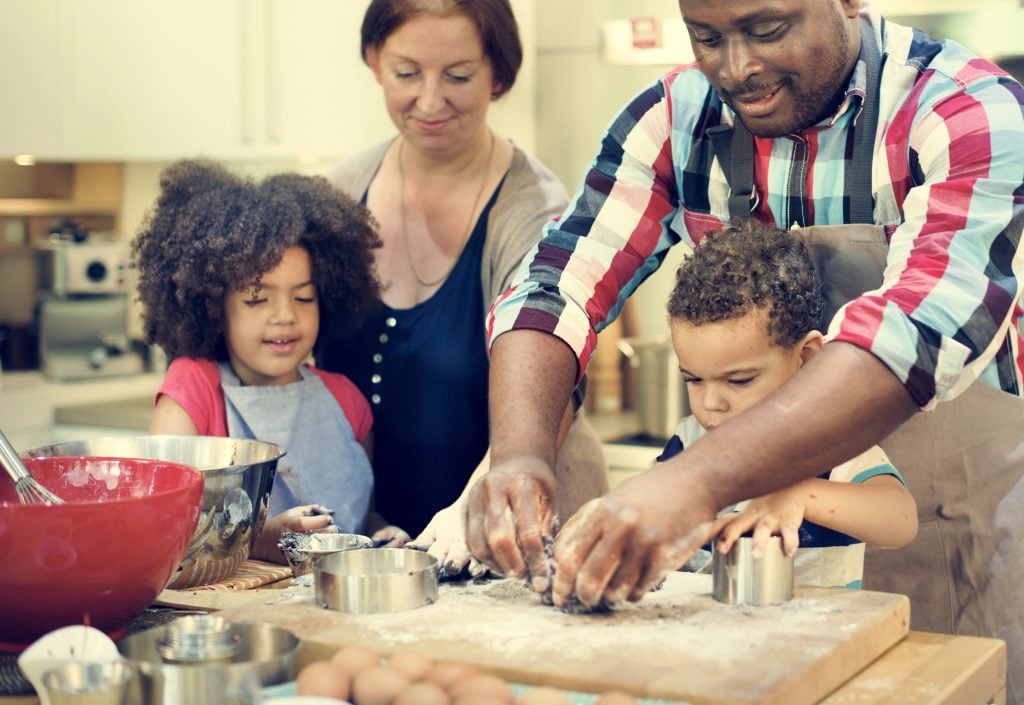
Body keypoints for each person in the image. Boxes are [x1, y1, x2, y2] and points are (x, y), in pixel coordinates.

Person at [467, 0, 1024, 696]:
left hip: (952, 537)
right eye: (707, 37)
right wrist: (519, 454)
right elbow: (558, 282)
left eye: (768, 29)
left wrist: (696, 481)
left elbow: (916, 333)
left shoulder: (965, 108)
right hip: (770, 607)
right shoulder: (674, 119)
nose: (737, 68)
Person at [316, 0, 607, 575]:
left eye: (458, 76)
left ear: (497, 74)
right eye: (406, 73)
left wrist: (472, 510)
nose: (429, 100)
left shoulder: (536, 211)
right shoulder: (339, 194)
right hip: (377, 543)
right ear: (374, 62)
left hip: (516, 536)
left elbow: (554, 385)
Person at [134, 159, 402, 564]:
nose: (285, 316)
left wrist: (380, 532)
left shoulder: (346, 400)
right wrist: (257, 540)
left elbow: (359, 514)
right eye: (257, 299)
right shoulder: (193, 390)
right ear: (212, 306)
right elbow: (160, 529)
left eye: (304, 297)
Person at [660, 220, 916, 587]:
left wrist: (801, 494)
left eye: (739, 381)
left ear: (808, 358)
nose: (711, 404)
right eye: (693, 379)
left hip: (822, 639)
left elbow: (901, 521)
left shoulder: (835, 447)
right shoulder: (690, 441)